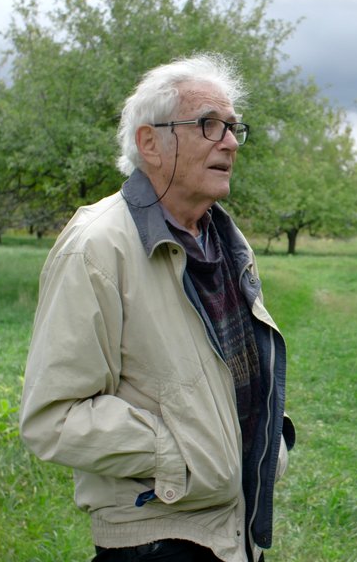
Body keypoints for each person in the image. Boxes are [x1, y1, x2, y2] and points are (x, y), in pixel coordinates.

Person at [20, 53, 295, 562]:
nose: (231, 143)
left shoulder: (224, 239)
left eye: (234, 128)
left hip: (232, 529)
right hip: (155, 540)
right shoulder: (98, 246)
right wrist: (183, 455)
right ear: (150, 142)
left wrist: (264, 435)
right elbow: (53, 416)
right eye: (209, 125)